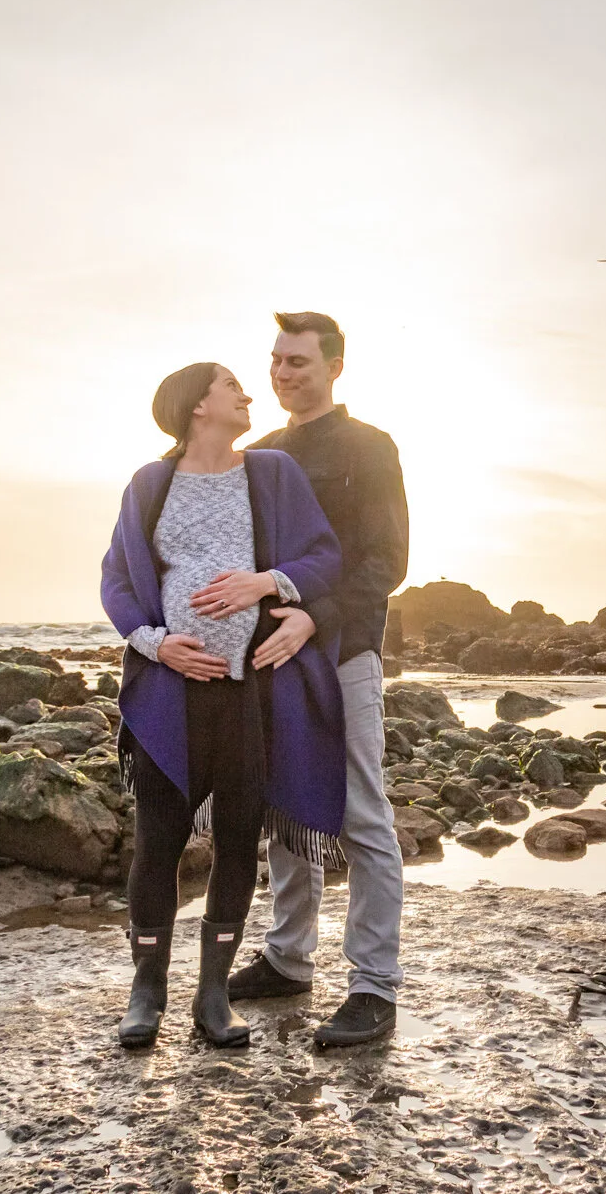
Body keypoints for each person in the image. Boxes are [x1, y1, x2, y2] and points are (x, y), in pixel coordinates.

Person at [99, 361, 346, 1049]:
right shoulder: (151, 484)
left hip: (249, 692)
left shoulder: (271, 474)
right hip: (167, 695)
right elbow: (117, 577)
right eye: (230, 384)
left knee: (240, 838)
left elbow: (325, 558)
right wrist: (154, 643)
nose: (245, 393)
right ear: (196, 405)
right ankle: (146, 990)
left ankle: (213, 994)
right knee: (158, 841)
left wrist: (271, 583)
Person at [227, 311, 411, 1048]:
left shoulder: (370, 446)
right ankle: (287, 955)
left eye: (298, 360)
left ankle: (373, 986)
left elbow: (385, 559)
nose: (282, 372)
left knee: (363, 814)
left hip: (343, 652)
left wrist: (317, 617)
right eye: (275, 359)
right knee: (284, 807)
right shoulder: (260, 452)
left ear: (334, 367)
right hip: (273, 656)